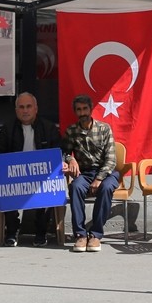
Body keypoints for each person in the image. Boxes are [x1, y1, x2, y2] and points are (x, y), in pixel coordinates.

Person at [0, 92, 62, 247]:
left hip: (41, 176)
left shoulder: (48, 128)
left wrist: (61, 163)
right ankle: (12, 231)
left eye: (29, 106)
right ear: (16, 110)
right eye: (21, 107)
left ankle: (41, 232)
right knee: (5, 184)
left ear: (36, 109)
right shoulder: (8, 128)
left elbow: (58, 151)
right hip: (16, 176)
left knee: (50, 186)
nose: (25, 111)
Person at [61, 94, 119, 253]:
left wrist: (99, 179)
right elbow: (64, 152)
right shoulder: (72, 131)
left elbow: (111, 159)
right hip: (85, 173)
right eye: (79, 110)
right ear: (75, 112)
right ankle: (80, 234)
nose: (82, 112)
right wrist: (70, 159)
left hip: (106, 173)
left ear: (91, 109)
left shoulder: (104, 128)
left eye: (85, 108)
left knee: (106, 188)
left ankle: (95, 234)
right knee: (75, 187)